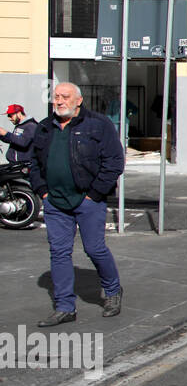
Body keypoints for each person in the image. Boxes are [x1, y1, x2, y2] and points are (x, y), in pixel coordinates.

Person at [27, 82, 125, 326]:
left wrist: (94, 193)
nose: (59, 101)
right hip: (55, 203)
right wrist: (42, 192)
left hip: (88, 200)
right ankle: (65, 307)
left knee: (94, 249)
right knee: (59, 253)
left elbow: (114, 162)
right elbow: (34, 163)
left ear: (78, 100)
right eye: (56, 97)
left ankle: (113, 291)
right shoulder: (44, 128)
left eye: (65, 97)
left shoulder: (98, 125)